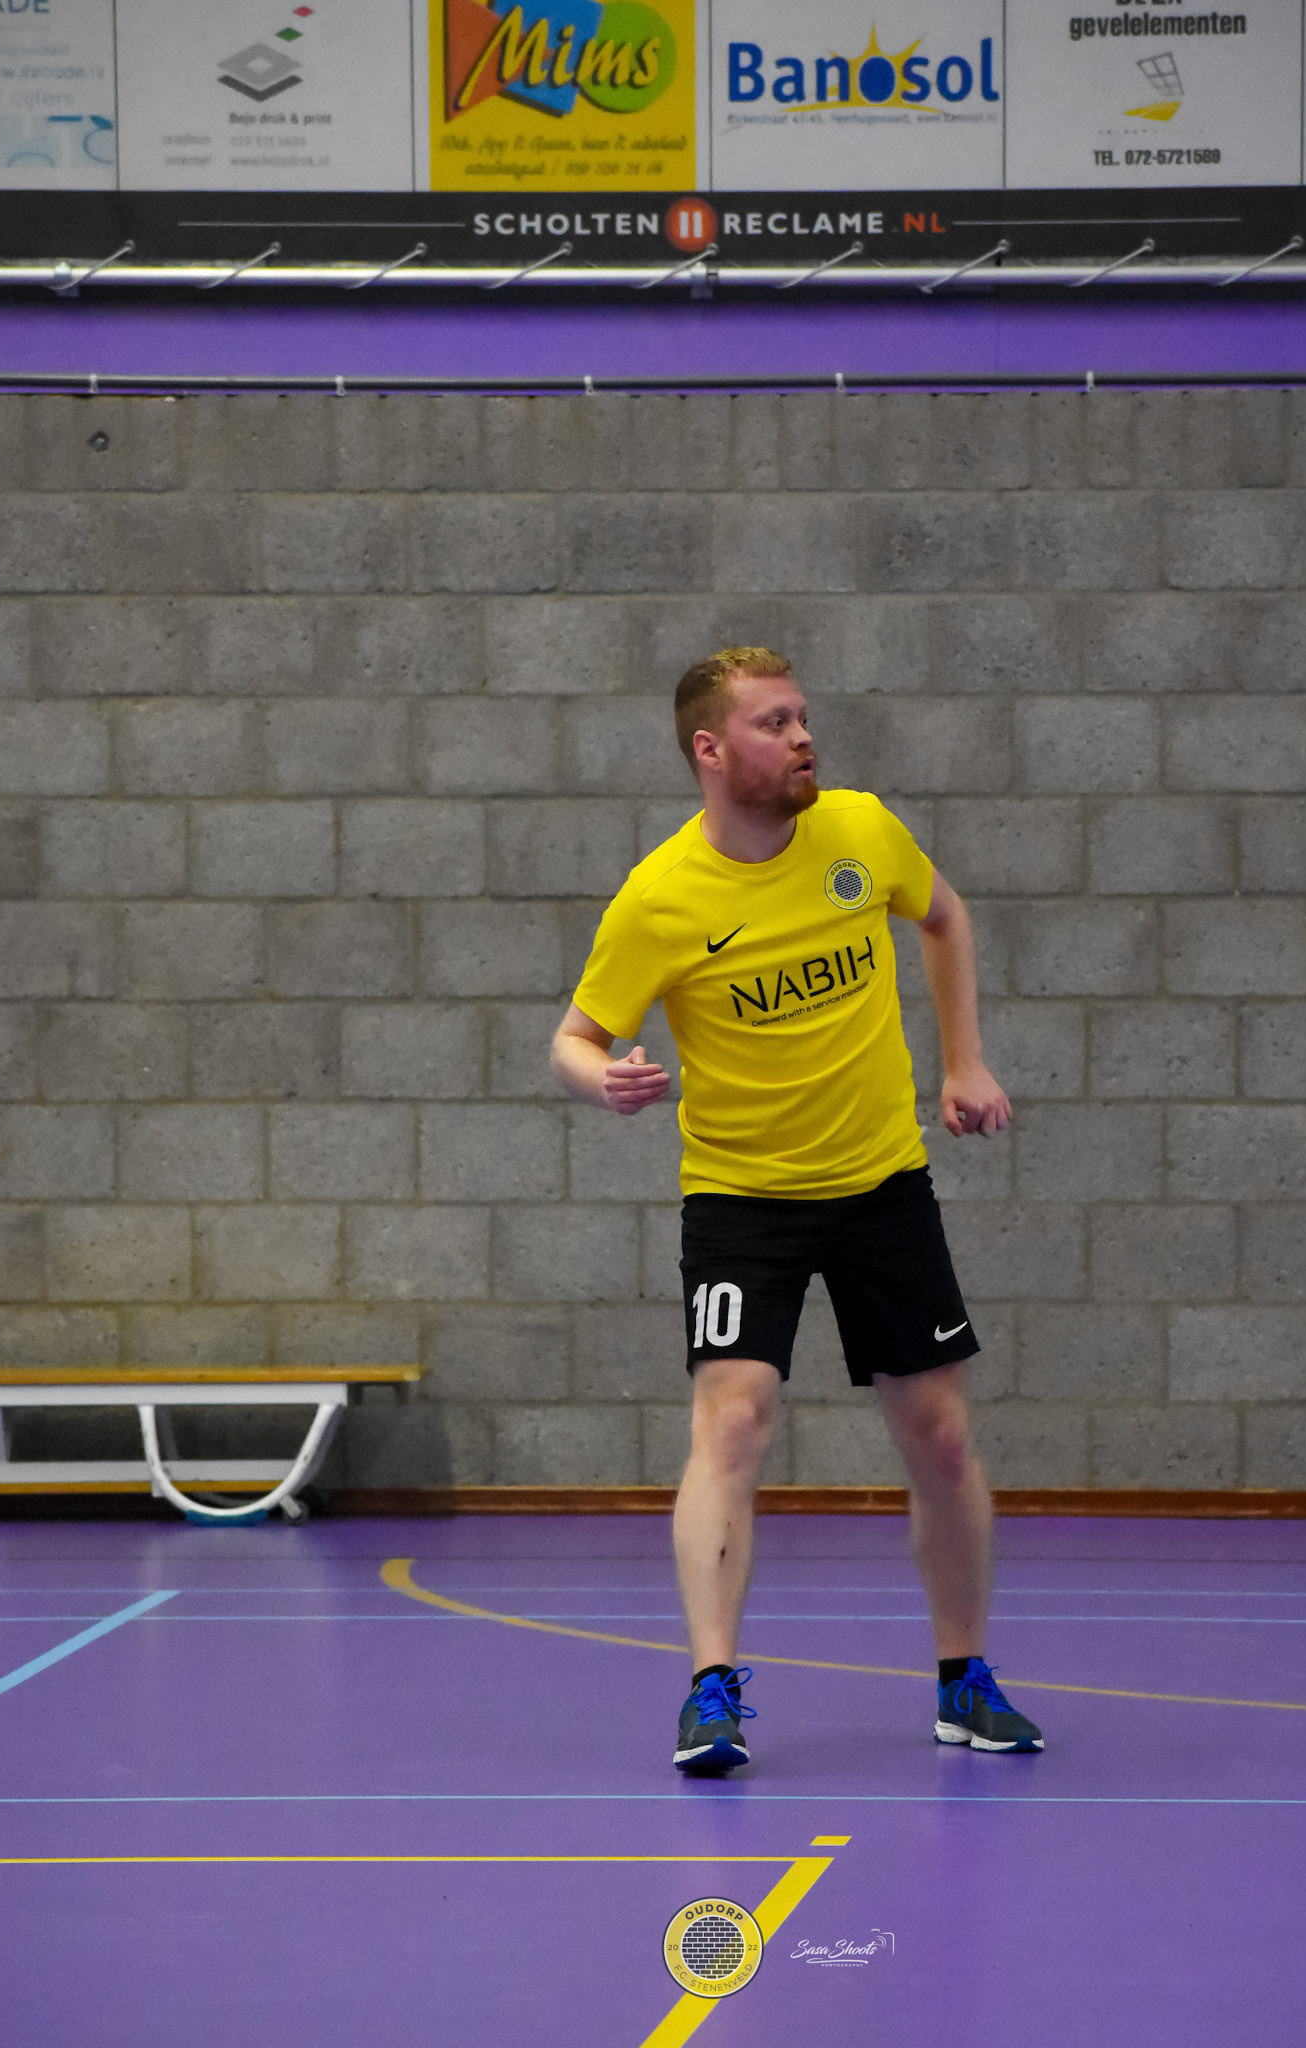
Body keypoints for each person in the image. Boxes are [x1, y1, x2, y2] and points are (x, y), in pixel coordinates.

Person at [550, 646, 1042, 1771]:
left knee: (939, 1432)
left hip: (880, 1184)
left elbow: (944, 915)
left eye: (803, 716)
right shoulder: (661, 897)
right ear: (710, 750)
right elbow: (572, 1038)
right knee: (731, 1420)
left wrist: (962, 1060)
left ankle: (963, 1681)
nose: (803, 736)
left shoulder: (859, 831)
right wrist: (602, 1079)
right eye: (773, 723)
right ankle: (711, 1691)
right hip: (741, 1197)